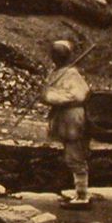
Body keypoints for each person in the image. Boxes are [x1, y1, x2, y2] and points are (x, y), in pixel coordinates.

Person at [41, 39, 92, 208]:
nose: (56, 56)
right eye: (54, 53)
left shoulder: (72, 74)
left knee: (75, 156)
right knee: (71, 156)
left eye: (59, 54)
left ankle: (82, 196)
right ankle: (79, 192)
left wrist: (51, 96)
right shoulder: (57, 73)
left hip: (73, 117)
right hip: (63, 117)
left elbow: (79, 95)